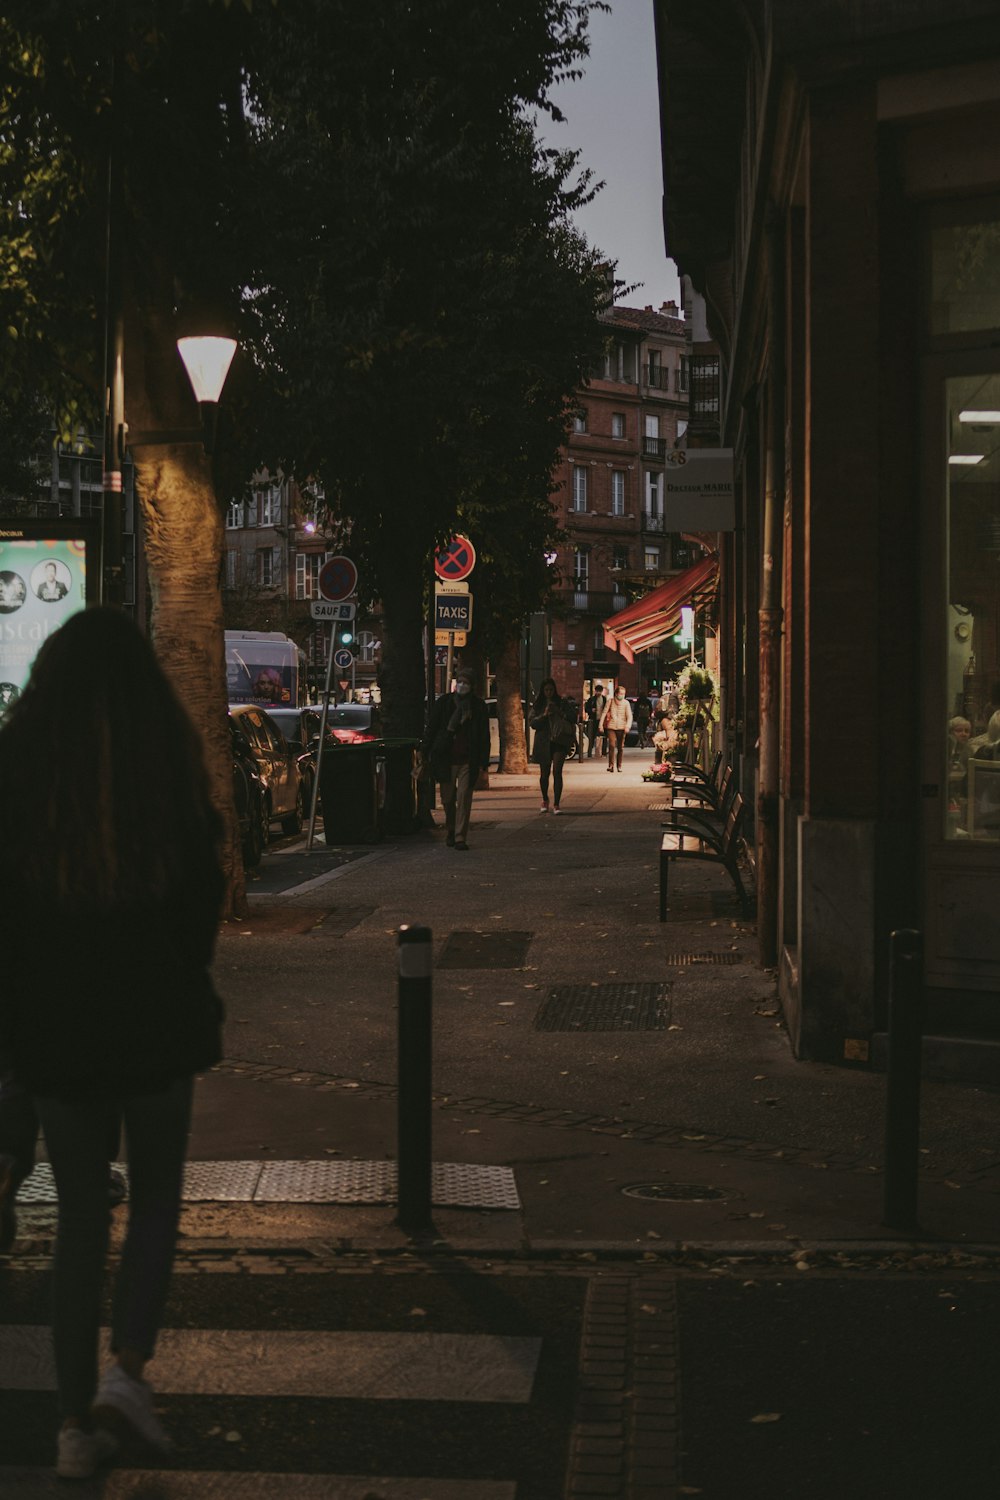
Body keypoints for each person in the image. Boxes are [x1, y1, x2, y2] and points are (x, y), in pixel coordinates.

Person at [0, 608, 225, 1480]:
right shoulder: (163, 765)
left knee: (80, 1221)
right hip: (158, 1015)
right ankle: (126, 1372)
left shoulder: (20, 773)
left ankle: (69, 1425)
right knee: (159, 1197)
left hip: (59, 1028)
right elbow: (203, 889)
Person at [421, 666, 490, 850]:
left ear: (472, 686)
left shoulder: (478, 707)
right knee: (447, 798)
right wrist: (425, 749)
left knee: (464, 797)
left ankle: (460, 836)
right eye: (459, 681)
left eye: (466, 683)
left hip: (468, 759)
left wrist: (484, 762)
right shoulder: (444, 704)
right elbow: (433, 727)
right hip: (446, 758)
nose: (462, 685)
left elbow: (483, 735)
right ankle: (451, 827)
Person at [530, 678, 574, 814]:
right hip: (543, 741)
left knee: (557, 772)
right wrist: (544, 715)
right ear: (543, 691)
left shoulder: (561, 703)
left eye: (551, 690)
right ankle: (545, 799)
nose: (549, 693)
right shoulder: (538, 705)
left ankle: (556, 803)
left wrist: (559, 712)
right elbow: (533, 724)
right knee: (544, 774)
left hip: (559, 741)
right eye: (546, 690)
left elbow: (572, 717)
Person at [600, 683, 633, 772]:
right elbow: (604, 713)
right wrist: (600, 725)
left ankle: (619, 766)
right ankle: (611, 765)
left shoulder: (626, 703)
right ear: (616, 693)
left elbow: (629, 716)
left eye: (623, 694)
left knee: (620, 747)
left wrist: (628, 726)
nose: (622, 695)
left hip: (622, 728)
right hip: (611, 726)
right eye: (620, 694)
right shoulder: (610, 701)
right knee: (611, 745)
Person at [585, 683, 608, 758]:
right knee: (591, 736)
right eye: (597, 691)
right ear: (595, 691)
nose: (598, 692)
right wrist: (591, 710)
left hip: (602, 720)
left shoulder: (604, 699)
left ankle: (603, 752)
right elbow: (586, 709)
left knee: (604, 736)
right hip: (593, 720)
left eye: (600, 691)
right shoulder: (591, 699)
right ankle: (590, 752)